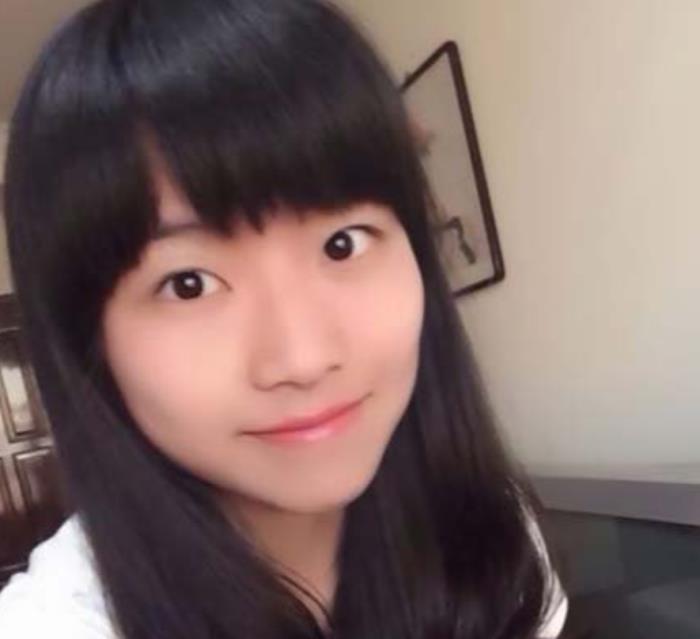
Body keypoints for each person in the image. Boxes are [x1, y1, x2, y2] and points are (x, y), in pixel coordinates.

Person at [0, 0, 567, 637]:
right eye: (189, 284)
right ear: (87, 341)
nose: (302, 358)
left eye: (343, 243)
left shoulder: (496, 548)